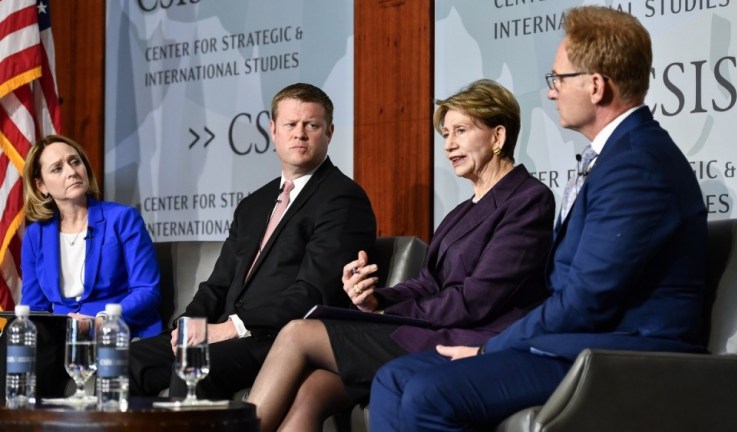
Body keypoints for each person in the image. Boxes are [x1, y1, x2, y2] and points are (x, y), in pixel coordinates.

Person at [369, 6, 709, 431]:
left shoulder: (637, 164)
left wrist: (490, 348)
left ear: (597, 86)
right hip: (578, 343)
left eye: (559, 79)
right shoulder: (617, 157)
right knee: (393, 379)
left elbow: (586, 300)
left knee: (428, 392)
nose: (551, 92)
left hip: (621, 351)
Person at [247, 79, 556, 431]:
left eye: (460, 131)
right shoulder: (461, 212)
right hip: (434, 328)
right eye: (445, 134)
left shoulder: (528, 199)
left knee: (297, 334)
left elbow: (476, 301)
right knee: (313, 389)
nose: (449, 144)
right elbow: (427, 282)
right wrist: (374, 297)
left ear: (498, 137)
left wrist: (387, 312)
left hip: (472, 339)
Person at [128, 83, 377, 399]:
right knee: (124, 362)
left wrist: (230, 328)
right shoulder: (253, 204)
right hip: (226, 333)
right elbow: (218, 284)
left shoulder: (343, 199)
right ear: (273, 131)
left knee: (194, 366)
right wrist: (189, 325)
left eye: (312, 125)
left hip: (277, 339)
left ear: (329, 132)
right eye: (290, 124)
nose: (299, 134)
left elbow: (314, 294)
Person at [21, 134, 163, 338]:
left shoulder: (122, 219)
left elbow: (146, 290)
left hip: (117, 332)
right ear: (41, 186)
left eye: (75, 162)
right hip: (61, 337)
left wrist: (102, 321)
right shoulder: (35, 235)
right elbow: (34, 307)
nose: (71, 172)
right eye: (57, 168)